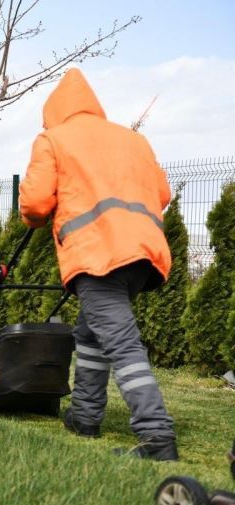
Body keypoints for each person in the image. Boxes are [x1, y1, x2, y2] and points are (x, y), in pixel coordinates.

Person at [19, 68, 178, 461]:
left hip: (97, 253)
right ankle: (85, 416)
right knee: (91, 334)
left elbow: (36, 204)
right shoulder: (133, 139)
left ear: (53, 111)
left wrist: (41, 214)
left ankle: (157, 437)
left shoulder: (53, 138)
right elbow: (163, 192)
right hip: (143, 254)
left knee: (121, 343)